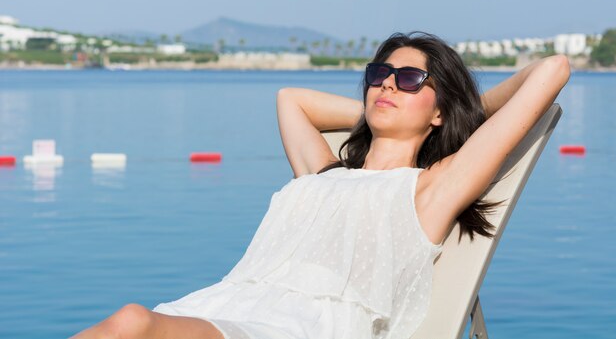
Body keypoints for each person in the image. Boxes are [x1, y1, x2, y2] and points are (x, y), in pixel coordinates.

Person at [70, 32, 571, 339]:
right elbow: (291, 98)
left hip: (303, 330)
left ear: (439, 109)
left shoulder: (431, 190)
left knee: (133, 324)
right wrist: (382, 112)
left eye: (412, 79)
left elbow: (552, 71)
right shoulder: (321, 174)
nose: (389, 84)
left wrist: (461, 116)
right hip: (221, 309)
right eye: (380, 74)